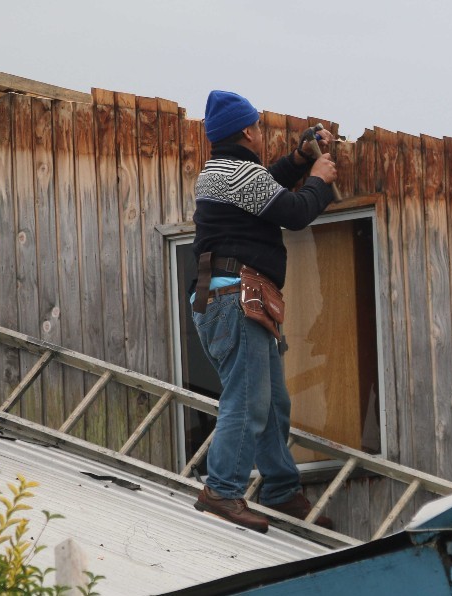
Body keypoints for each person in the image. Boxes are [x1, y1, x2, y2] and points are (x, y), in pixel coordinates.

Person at [189, 89, 337, 533]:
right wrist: (319, 178)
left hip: (229, 297)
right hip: (237, 297)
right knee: (249, 400)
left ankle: (279, 489)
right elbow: (292, 212)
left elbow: (266, 187)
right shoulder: (239, 176)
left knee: (272, 401)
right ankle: (222, 491)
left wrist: (297, 158)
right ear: (250, 130)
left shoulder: (223, 172)